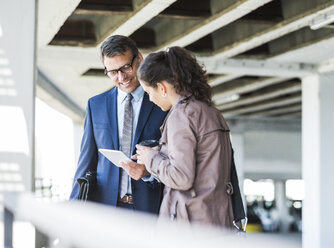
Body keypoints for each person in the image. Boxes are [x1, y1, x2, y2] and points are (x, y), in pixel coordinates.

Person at [124, 46, 234, 228]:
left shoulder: (181, 115)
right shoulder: (210, 111)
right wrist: (162, 153)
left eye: (149, 92)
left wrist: (150, 157)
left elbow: (181, 177)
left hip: (190, 227)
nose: (150, 99)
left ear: (162, 87)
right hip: (216, 221)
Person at [69, 35, 167, 212]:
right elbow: (86, 162)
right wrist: (72, 210)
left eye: (126, 67)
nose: (121, 77)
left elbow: (176, 161)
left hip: (150, 210)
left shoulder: (162, 103)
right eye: (113, 72)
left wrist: (149, 172)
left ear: (139, 59)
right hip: (106, 210)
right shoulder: (95, 105)